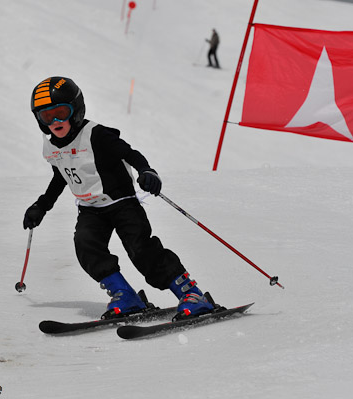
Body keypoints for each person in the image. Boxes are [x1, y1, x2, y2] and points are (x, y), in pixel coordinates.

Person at [23, 76, 214, 320]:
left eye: (61, 112)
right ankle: (125, 294)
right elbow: (61, 177)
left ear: (76, 110)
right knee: (86, 246)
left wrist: (146, 171)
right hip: (90, 209)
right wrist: (42, 206)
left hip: (122, 204)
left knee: (141, 250)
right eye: (47, 116)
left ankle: (192, 295)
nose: (56, 121)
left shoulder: (97, 135)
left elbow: (130, 154)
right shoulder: (52, 147)